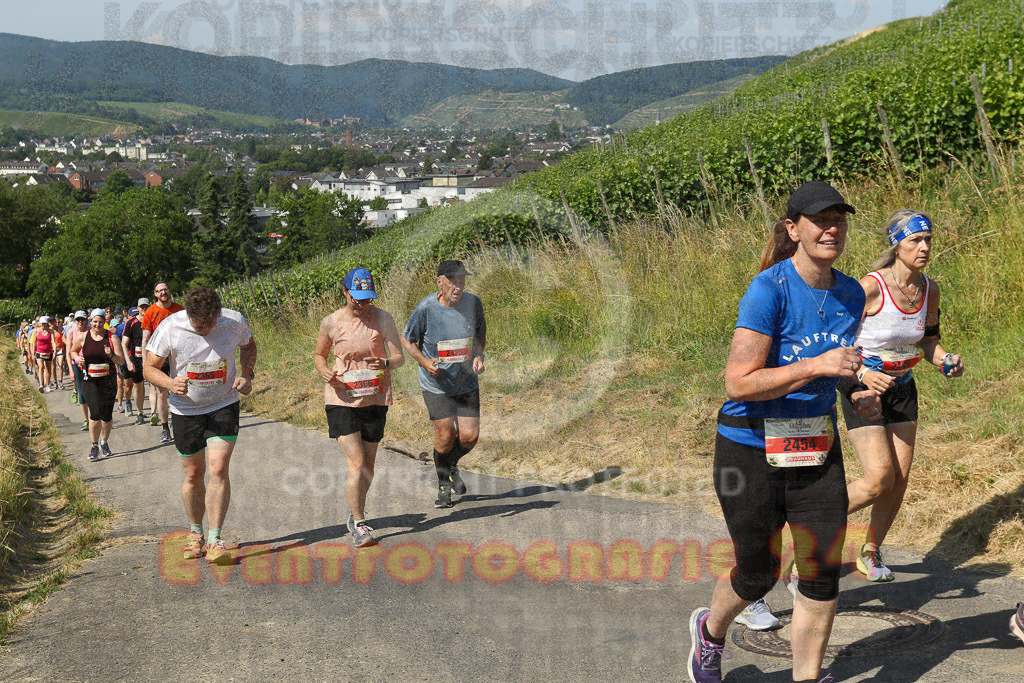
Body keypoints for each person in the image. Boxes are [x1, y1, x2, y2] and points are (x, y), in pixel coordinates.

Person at [688, 182, 881, 683]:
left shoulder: (849, 293)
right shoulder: (768, 289)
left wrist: (855, 387)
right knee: (758, 572)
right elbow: (738, 381)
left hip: (816, 446)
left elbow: (838, 366)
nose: (831, 228)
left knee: (819, 573)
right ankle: (710, 634)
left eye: (839, 218)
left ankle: (807, 677)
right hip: (750, 447)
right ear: (794, 230)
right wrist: (817, 364)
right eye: (820, 219)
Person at [842, 211, 964, 582]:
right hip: (861, 385)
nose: (924, 247)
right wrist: (863, 374)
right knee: (879, 478)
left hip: (903, 386)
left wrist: (946, 360)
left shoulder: (930, 288)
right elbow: (837, 342)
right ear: (897, 244)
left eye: (928, 239)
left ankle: (870, 551)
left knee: (900, 476)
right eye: (915, 240)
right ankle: (808, 531)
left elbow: (928, 340)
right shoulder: (870, 287)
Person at [144, 286, 257, 564]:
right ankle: (196, 534)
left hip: (223, 405)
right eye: (199, 325)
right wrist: (170, 383)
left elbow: (250, 347)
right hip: (185, 411)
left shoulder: (234, 322)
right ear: (188, 314)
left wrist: (247, 374)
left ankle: (215, 539)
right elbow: (148, 368)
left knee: (219, 468)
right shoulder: (171, 327)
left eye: (210, 324)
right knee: (194, 473)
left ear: (218, 314)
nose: (205, 330)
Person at [313, 267, 405, 547]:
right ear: (345, 292)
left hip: (374, 397)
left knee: (369, 465)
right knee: (358, 463)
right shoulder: (331, 321)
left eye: (367, 299)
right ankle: (360, 522)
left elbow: (399, 357)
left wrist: (387, 363)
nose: (363, 305)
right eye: (357, 299)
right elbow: (319, 354)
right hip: (342, 398)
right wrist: (325, 370)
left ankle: (355, 514)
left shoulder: (384, 319)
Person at [402, 259, 486, 509]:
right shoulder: (426, 308)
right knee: (446, 434)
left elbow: (480, 334)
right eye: (452, 281)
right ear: (440, 282)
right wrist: (425, 362)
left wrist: (479, 356)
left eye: (461, 281)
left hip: (466, 382)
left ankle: (450, 465)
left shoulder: (474, 303)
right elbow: (408, 341)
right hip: (436, 384)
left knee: (469, 437)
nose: (458, 286)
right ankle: (443, 487)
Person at [71, 308, 125, 460]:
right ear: (91, 322)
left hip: (108, 381)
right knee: (94, 414)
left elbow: (121, 361)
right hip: (89, 381)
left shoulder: (112, 337)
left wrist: (111, 355)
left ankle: (104, 442)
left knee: (106, 416)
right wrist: (77, 359)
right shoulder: (83, 337)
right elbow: (73, 351)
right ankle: (94, 445)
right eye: (95, 321)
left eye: (100, 322)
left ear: (104, 322)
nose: (97, 324)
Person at [142, 284, 184, 443]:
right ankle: (165, 428)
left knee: (180, 390)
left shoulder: (179, 309)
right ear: (155, 294)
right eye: (159, 291)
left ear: (169, 291)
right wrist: (146, 364)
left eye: (165, 289)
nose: (163, 292)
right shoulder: (150, 312)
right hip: (159, 357)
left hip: (178, 356)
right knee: (162, 392)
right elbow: (145, 338)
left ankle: (181, 423)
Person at [121, 304, 149, 424]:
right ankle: (138, 412)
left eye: (146, 306)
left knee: (144, 386)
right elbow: (124, 343)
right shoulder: (131, 322)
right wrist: (128, 361)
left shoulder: (151, 320)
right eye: (142, 307)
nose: (144, 309)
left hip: (149, 357)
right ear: (138, 308)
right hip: (134, 358)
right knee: (135, 385)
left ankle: (144, 411)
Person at [66, 311, 91, 430]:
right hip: (76, 364)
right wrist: (71, 370)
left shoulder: (90, 331)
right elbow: (68, 353)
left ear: (86, 320)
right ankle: (86, 419)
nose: (80, 322)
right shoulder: (71, 332)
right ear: (75, 321)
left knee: (91, 390)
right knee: (82, 391)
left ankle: (94, 417)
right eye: (78, 320)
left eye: (82, 319)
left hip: (90, 364)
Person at [32, 316, 56, 393]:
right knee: (41, 367)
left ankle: (47, 385)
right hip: (39, 352)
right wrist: (33, 353)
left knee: (48, 369)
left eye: (45, 324)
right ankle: (41, 385)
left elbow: (53, 341)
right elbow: (33, 342)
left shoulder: (50, 331)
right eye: (42, 324)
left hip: (48, 352)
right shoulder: (36, 331)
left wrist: (55, 351)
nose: (44, 325)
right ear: (40, 324)